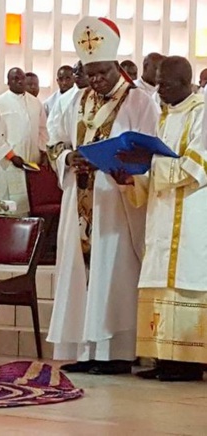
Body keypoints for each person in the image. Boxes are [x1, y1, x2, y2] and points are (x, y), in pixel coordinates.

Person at [45, 17, 159, 375]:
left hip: (117, 203)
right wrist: (68, 157)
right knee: (83, 276)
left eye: (102, 73)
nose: (96, 81)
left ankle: (118, 353)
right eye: (90, 73)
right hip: (79, 199)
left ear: (117, 66)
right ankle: (88, 349)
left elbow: (152, 152)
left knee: (114, 273)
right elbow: (55, 142)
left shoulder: (141, 102)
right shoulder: (76, 100)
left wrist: (122, 166)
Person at [113, 56, 206, 382]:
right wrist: (131, 176)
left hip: (192, 212)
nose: (159, 90)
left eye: (166, 85)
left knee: (186, 284)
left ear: (185, 83)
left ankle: (189, 363)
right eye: (158, 84)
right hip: (161, 213)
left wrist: (148, 163)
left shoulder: (202, 112)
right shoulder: (162, 115)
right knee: (161, 283)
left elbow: (196, 167)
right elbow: (152, 169)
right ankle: (165, 359)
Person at [0, 67, 48, 215]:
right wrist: (12, 156)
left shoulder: (35, 103)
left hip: (31, 163)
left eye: (22, 78)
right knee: (7, 211)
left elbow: (42, 130)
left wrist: (43, 152)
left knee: (29, 209)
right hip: (8, 166)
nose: (20, 81)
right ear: (8, 82)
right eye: (15, 79)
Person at [47, 61, 89, 147]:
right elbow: (52, 129)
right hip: (71, 152)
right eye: (75, 70)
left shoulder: (101, 96)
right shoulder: (63, 100)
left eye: (82, 70)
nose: (77, 72)